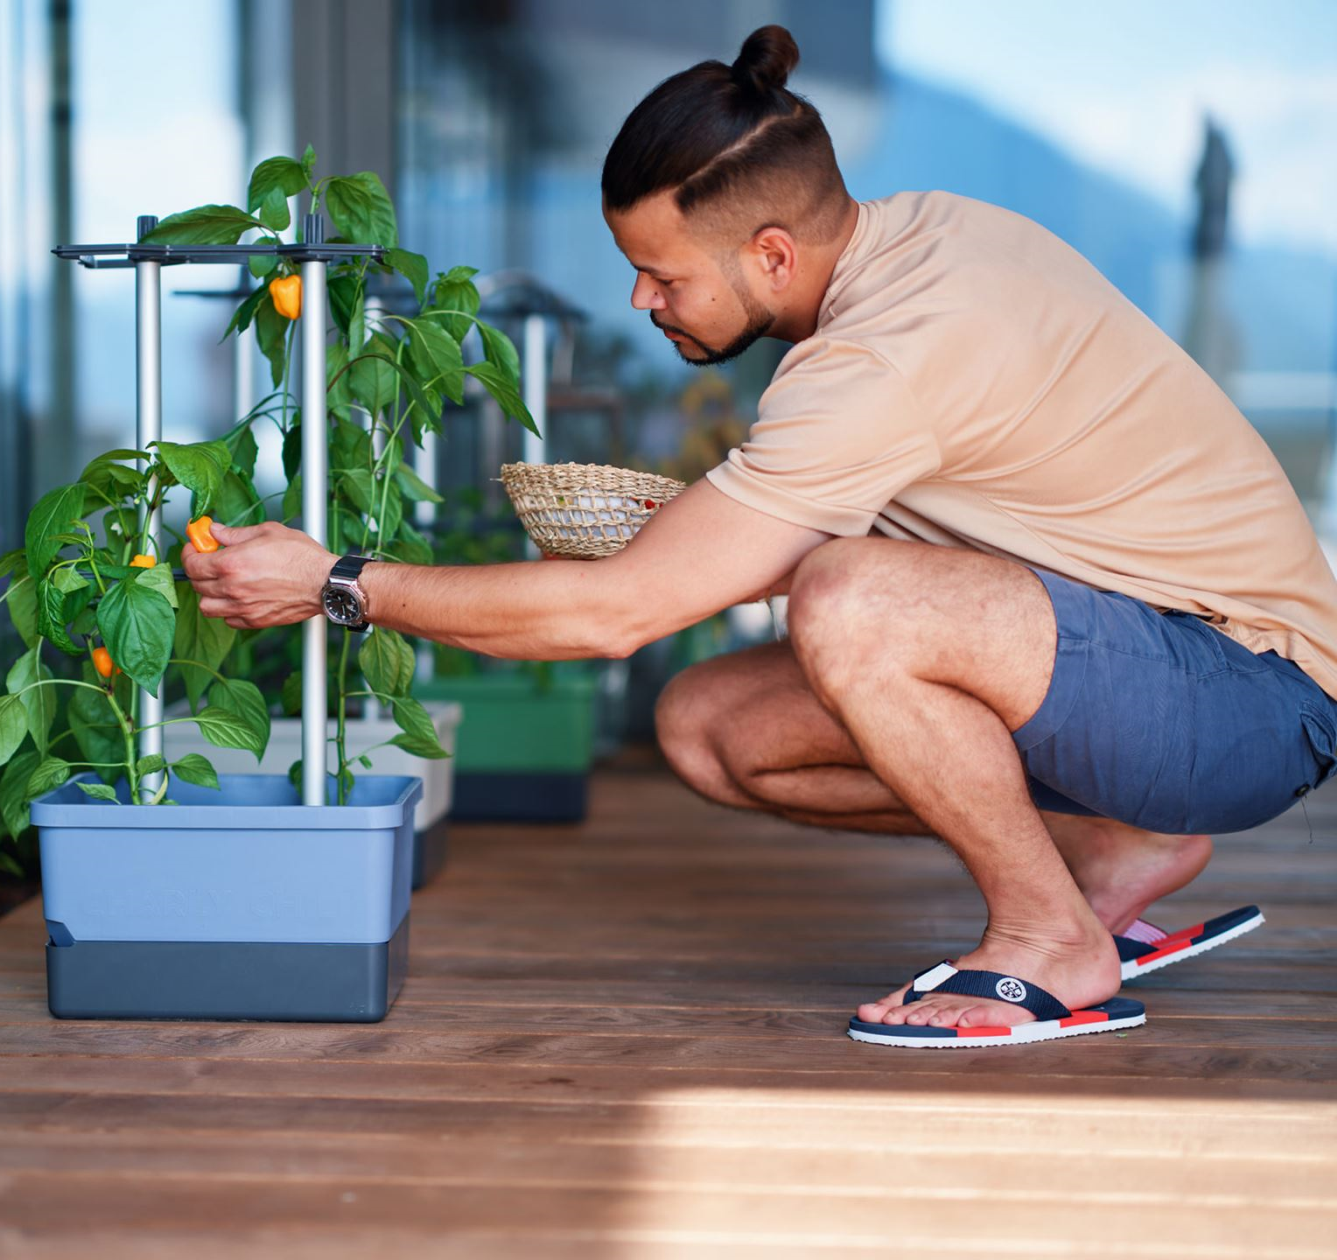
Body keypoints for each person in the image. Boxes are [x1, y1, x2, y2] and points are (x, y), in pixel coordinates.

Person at [184, 25, 1337, 1047]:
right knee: (710, 726)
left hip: (1251, 691)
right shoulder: (926, 236)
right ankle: (1102, 851)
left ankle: (1053, 939)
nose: (645, 303)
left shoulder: (879, 353)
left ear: (772, 255)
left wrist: (337, 581)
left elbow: (613, 617)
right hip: (1140, 663)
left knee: (852, 598)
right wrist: (695, 533)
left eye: (660, 274)